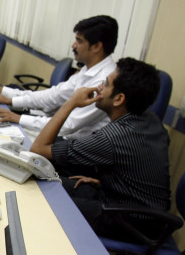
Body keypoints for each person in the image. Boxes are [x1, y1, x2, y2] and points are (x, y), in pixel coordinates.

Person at [30, 58, 170, 240]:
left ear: (119, 99)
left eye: (105, 84)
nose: (99, 88)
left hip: (134, 220)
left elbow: (39, 149)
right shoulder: (149, 119)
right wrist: (109, 182)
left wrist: (71, 103)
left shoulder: (114, 136)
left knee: (47, 202)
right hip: (128, 200)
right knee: (41, 183)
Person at [0, 15, 118, 140]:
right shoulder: (87, 69)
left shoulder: (104, 82)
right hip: (57, 132)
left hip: (67, 146)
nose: (73, 45)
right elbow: (52, 96)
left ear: (96, 47)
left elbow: (68, 126)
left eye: (79, 41)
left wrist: (18, 118)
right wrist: (9, 97)